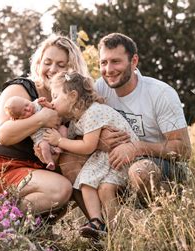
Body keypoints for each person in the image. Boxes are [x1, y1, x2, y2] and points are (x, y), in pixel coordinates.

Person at [0, 34, 91, 220]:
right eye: (47, 62)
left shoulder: (68, 102)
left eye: (61, 65)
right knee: (60, 189)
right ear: (38, 64)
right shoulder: (20, 89)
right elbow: (3, 135)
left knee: (76, 170)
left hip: (36, 174)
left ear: (72, 70)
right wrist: (42, 118)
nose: (52, 69)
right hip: (2, 169)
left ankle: (100, 227)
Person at [43, 71, 138, 240]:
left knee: (105, 188)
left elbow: (87, 146)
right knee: (86, 182)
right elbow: (71, 138)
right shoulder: (76, 120)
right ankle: (97, 222)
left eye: (56, 96)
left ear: (72, 96)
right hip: (105, 157)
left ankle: (118, 233)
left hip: (121, 156)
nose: (53, 101)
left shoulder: (94, 112)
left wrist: (59, 141)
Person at [95, 32, 191, 196]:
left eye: (116, 61)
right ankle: (100, 220)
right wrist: (99, 140)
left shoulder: (160, 94)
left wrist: (138, 148)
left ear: (134, 62)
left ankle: (168, 206)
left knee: (140, 171)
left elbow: (184, 150)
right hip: (118, 162)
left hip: (164, 164)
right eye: (104, 62)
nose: (109, 70)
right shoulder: (100, 89)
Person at [3, 95, 67, 171]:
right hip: (41, 137)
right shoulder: (23, 121)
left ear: (26, 99)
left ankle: (60, 148)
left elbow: (52, 108)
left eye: (26, 104)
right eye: (24, 112)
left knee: (63, 129)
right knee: (44, 147)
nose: (28, 109)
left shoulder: (37, 103)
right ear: (18, 118)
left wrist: (46, 103)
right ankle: (49, 162)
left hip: (54, 129)